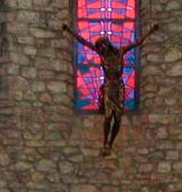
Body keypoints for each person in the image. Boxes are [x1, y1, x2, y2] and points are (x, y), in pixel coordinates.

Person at [62, 23, 158, 156]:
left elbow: (137, 42)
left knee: (118, 118)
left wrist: (150, 31)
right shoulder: (103, 56)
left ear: (107, 44)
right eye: (99, 47)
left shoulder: (120, 52)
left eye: (103, 46)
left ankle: (111, 143)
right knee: (108, 116)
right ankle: (105, 142)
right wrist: (69, 31)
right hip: (109, 88)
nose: (102, 48)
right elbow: (83, 41)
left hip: (119, 88)